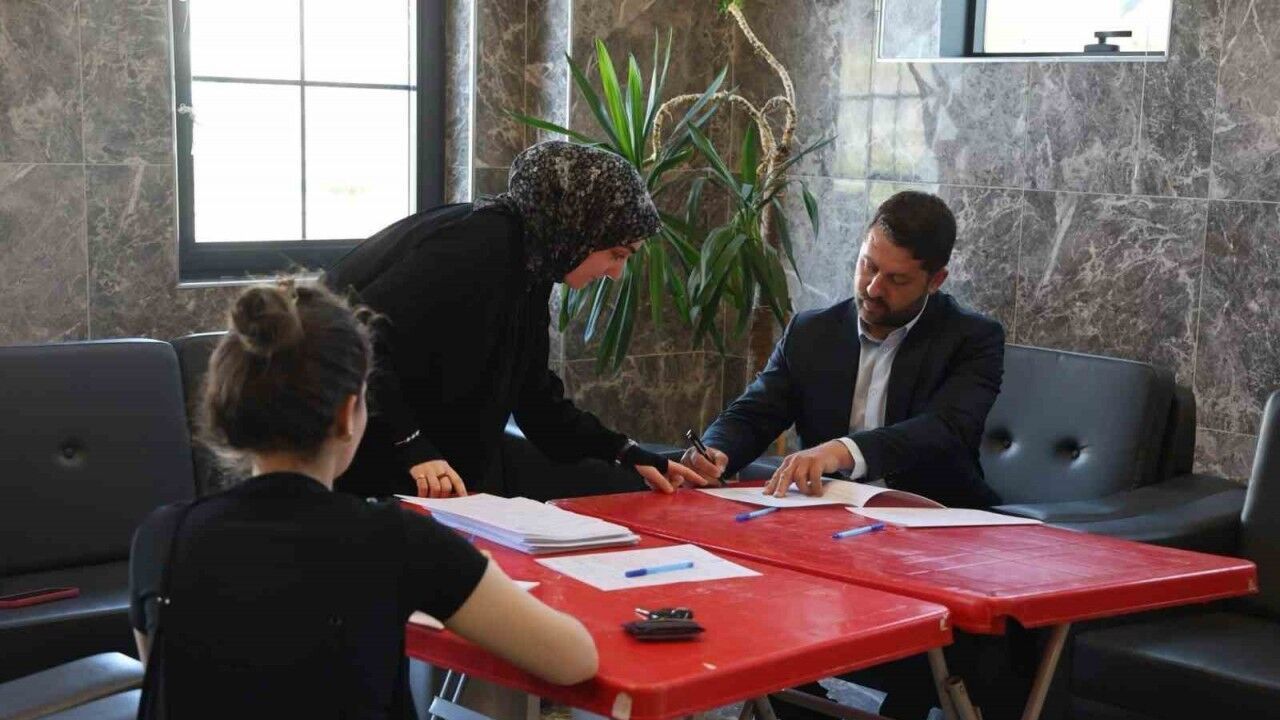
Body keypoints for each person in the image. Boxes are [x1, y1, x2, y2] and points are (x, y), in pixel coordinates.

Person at [128, 281, 598, 719]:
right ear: (348, 413)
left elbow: (170, 689)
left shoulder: (160, 540)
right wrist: (475, 573)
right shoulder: (402, 542)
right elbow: (574, 660)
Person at [326, 141, 704, 499]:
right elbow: (354, 342)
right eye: (617, 254)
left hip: (421, 478)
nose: (616, 273)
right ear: (581, 228)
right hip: (353, 464)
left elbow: (535, 399)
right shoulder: (476, 247)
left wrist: (623, 451)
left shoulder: (531, 262)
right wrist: (410, 443)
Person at [682, 190, 1005, 510]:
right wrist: (716, 450)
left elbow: (944, 430)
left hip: (938, 517)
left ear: (936, 281)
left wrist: (841, 451)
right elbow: (755, 414)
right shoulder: (812, 332)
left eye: (897, 280)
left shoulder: (972, 339)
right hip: (825, 514)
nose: (873, 288)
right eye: (868, 266)